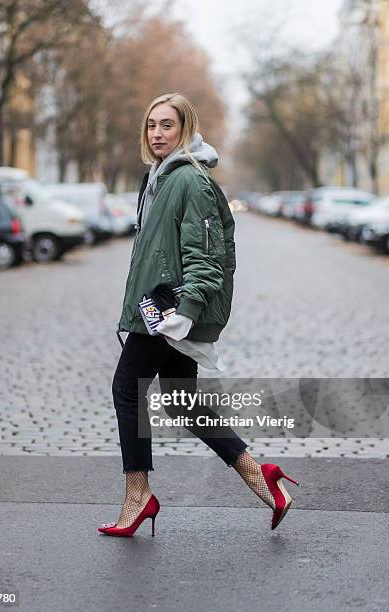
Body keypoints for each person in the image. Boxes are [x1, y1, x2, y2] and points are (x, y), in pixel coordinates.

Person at [98, 93, 299, 537]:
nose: (157, 134)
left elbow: (207, 258)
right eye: (151, 125)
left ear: (186, 129)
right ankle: (259, 475)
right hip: (159, 308)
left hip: (169, 311)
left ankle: (138, 495)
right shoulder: (158, 178)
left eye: (167, 125)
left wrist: (184, 312)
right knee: (180, 398)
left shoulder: (191, 180)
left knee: (126, 389)